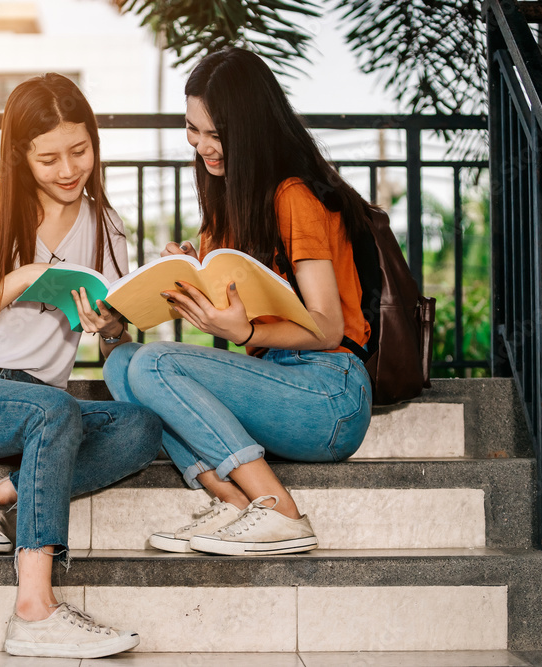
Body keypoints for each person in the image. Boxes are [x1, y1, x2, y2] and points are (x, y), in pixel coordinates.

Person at [0, 73, 161, 659]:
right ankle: (34, 609)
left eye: (79, 151)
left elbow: (110, 338)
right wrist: (17, 281)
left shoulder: (106, 226)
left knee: (140, 427)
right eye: (48, 158)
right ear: (21, 157)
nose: (68, 169)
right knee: (55, 411)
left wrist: (113, 325)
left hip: (37, 405)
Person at [104, 46, 374, 556]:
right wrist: (179, 276)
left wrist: (243, 333)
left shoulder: (294, 196)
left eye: (216, 133)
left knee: (156, 362)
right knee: (123, 363)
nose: (202, 146)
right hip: (272, 384)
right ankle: (231, 501)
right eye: (193, 129)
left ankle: (280, 510)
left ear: (249, 129)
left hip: (329, 394)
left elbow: (328, 328)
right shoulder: (226, 207)